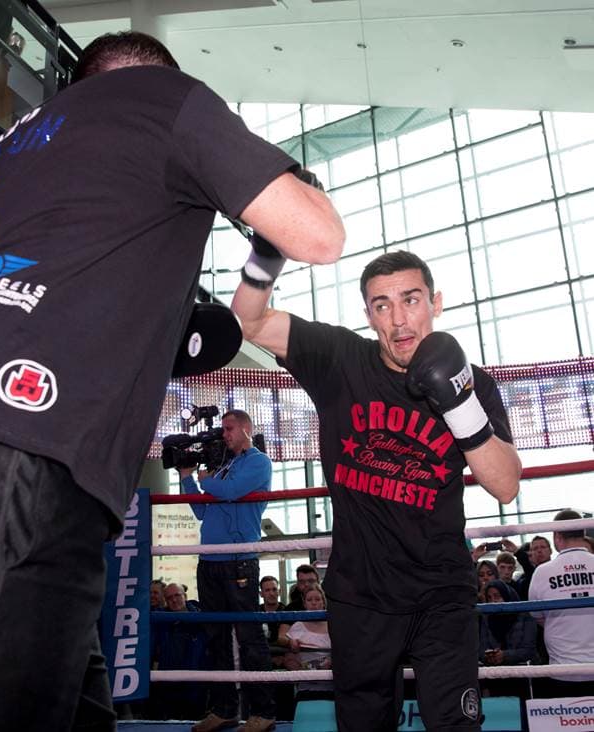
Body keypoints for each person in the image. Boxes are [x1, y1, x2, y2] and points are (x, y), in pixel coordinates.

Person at [0, 31, 345, 732]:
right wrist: (268, 243)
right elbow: (317, 233)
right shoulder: (161, 99)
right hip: (15, 456)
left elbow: (58, 299)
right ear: (155, 78)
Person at [232, 249, 521, 731]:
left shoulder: (474, 385)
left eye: (411, 299)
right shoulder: (340, 359)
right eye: (382, 304)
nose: (399, 318)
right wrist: (268, 252)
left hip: (442, 593)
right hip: (359, 596)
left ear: (436, 303)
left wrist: (459, 404)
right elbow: (248, 322)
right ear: (368, 315)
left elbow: (506, 484)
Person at [180, 410, 277, 732]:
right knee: (215, 638)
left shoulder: (258, 462)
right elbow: (199, 509)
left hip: (239, 561)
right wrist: (185, 476)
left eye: (229, 428)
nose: (224, 434)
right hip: (210, 561)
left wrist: (206, 480)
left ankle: (263, 712)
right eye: (222, 429)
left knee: (249, 638)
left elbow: (231, 492)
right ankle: (224, 709)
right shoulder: (221, 469)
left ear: (246, 429)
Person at [528, 509, 594, 697]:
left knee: (570, 725)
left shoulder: (542, 572)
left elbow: (539, 617)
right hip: (568, 668)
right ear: (583, 533)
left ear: (557, 536)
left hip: (563, 671)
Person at [149, 583, 209, 721]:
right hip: (169, 683)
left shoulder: (202, 617)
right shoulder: (160, 620)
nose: (174, 600)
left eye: (177, 595)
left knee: (196, 722)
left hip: (196, 682)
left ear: (185, 596)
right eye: (169, 597)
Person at [478, 579, 537, 699]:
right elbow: (480, 649)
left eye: (497, 596)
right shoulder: (485, 618)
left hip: (521, 675)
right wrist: (490, 656)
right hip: (494, 676)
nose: (493, 601)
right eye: (489, 597)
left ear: (506, 595)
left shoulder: (525, 616)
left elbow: (529, 650)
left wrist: (504, 655)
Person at [281, 584, 334, 710]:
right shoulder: (297, 626)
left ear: (323, 602)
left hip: (332, 685)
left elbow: (344, 653)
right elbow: (288, 659)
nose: (314, 603)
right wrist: (298, 667)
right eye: (310, 600)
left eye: (317, 599)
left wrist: (332, 662)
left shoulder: (334, 626)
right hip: (306, 686)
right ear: (304, 603)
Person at [276, 564, 319, 648]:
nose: (306, 584)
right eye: (302, 581)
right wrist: (290, 642)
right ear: (297, 583)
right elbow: (281, 637)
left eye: (311, 581)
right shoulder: (291, 608)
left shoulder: (330, 605)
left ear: (318, 582)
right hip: (301, 655)